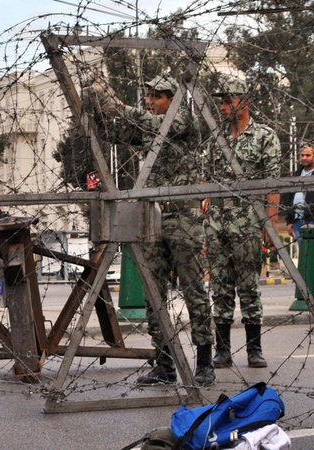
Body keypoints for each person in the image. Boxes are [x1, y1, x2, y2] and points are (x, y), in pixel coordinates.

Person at [88, 74, 214, 385]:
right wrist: (97, 110)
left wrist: (116, 103)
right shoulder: (148, 128)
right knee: (153, 295)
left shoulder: (184, 121)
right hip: (153, 220)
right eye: (149, 96)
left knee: (194, 290)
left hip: (182, 219)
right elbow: (115, 132)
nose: (150, 102)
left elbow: (144, 122)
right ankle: (165, 363)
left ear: (172, 99)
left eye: (157, 97)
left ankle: (205, 362)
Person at [205, 77, 280, 369]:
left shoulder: (264, 136)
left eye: (228, 101)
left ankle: (254, 349)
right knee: (220, 289)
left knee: (249, 287)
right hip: (217, 223)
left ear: (244, 101)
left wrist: (270, 223)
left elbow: (271, 183)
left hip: (248, 221)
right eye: (221, 102)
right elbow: (205, 181)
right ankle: (222, 350)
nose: (223, 107)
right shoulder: (216, 138)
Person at [285, 144, 314, 240]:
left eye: (308, 155)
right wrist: (289, 221)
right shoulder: (297, 174)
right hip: (297, 221)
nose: (304, 158)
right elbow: (289, 199)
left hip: (312, 220)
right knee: (303, 252)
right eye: (302, 155)